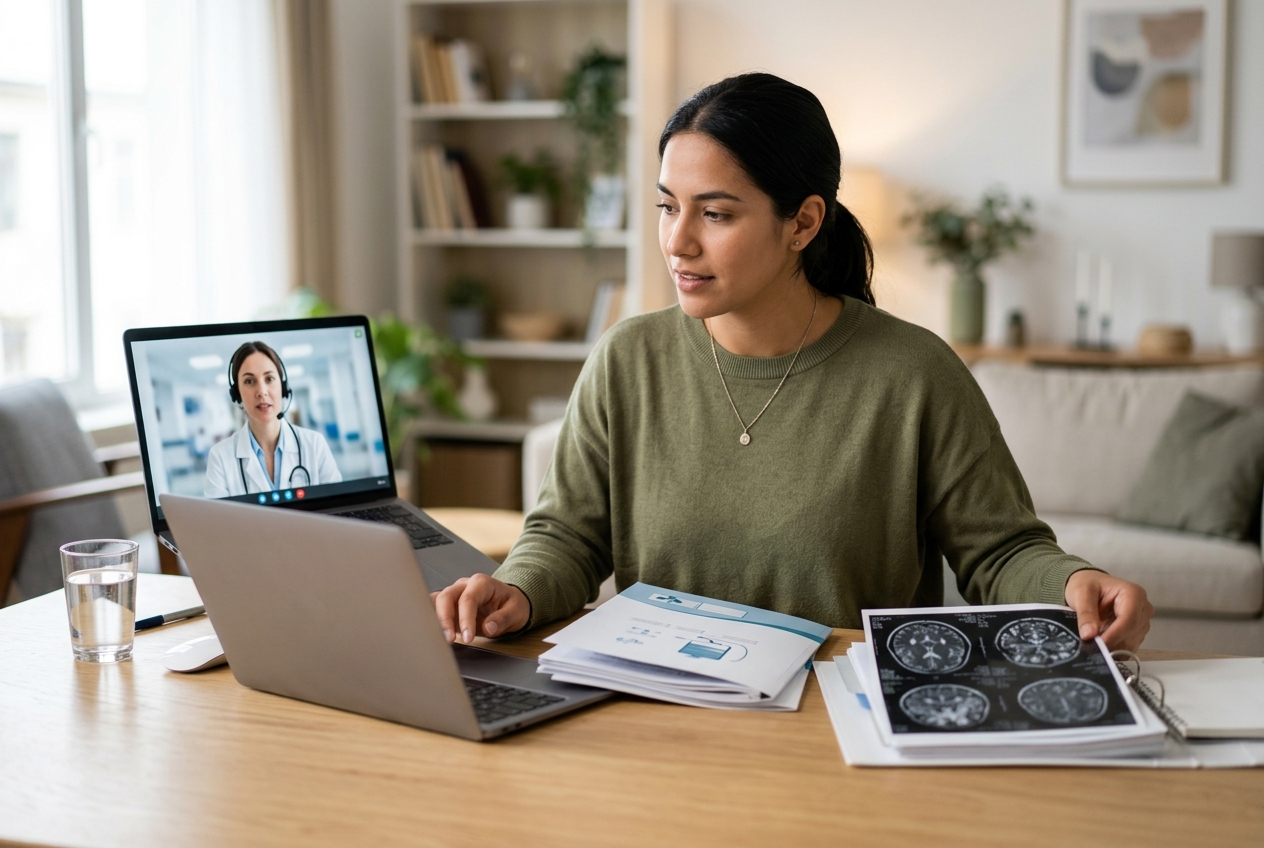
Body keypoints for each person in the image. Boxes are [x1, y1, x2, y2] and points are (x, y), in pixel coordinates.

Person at [433, 73, 1153, 651]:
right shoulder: (627, 360)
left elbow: (999, 550)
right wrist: (517, 589)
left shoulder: (913, 374)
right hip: (659, 717)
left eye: (715, 213)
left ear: (803, 222)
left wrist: (1074, 583)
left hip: (843, 726)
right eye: (667, 207)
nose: (678, 242)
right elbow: (567, 536)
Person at [204, 341, 342, 498]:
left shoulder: (315, 444)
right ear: (237, 394)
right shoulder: (220, 457)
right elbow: (216, 514)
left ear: (283, 387)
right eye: (249, 381)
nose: (262, 392)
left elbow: (337, 506)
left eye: (269, 379)